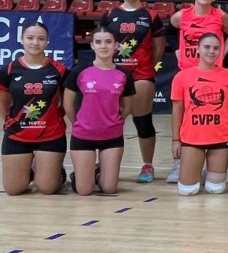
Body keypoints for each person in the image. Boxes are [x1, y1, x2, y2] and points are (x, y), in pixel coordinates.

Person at [168, 0, 228, 184]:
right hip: (188, 72)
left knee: (211, 110)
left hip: (213, 73)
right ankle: (179, 163)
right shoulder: (181, 16)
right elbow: (171, 32)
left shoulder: (220, 16)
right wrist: (178, 51)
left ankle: (213, 163)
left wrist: (221, 54)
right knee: (185, 115)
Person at [100, 0, 165, 183]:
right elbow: (102, 43)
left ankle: (147, 165)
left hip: (142, 74)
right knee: (110, 121)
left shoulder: (151, 15)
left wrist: (148, 65)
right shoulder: (110, 14)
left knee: (143, 121)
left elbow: (158, 47)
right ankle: (106, 165)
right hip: (113, 75)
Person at [64, 27, 135, 196]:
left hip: (112, 137)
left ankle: (96, 172)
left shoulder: (124, 74)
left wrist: (115, 122)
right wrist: (79, 123)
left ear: (116, 45)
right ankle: (80, 176)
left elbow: (127, 106)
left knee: (109, 189)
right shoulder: (78, 72)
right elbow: (68, 105)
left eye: (108, 42)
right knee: (84, 191)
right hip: (83, 136)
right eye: (98, 42)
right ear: (92, 46)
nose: (103, 46)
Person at [0, 21, 68, 196]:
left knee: (47, 188)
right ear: (21, 40)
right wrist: (10, 123)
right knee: (14, 190)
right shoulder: (8, 70)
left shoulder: (59, 70)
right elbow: (3, 103)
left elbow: (66, 103)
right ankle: (27, 170)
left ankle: (56, 174)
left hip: (51, 135)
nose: (35, 43)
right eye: (30, 38)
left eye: (40, 39)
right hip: (18, 134)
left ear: (47, 42)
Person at [169, 33, 228, 196]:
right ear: (198, 49)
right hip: (192, 137)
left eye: (216, 48)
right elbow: (177, 110)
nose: (211, 51)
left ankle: (207, 173)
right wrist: (175, 140)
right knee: (187, 190)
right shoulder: (182, 77)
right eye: (207, 47)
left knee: (216, 189)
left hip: (220, 137)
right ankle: (194, 170)